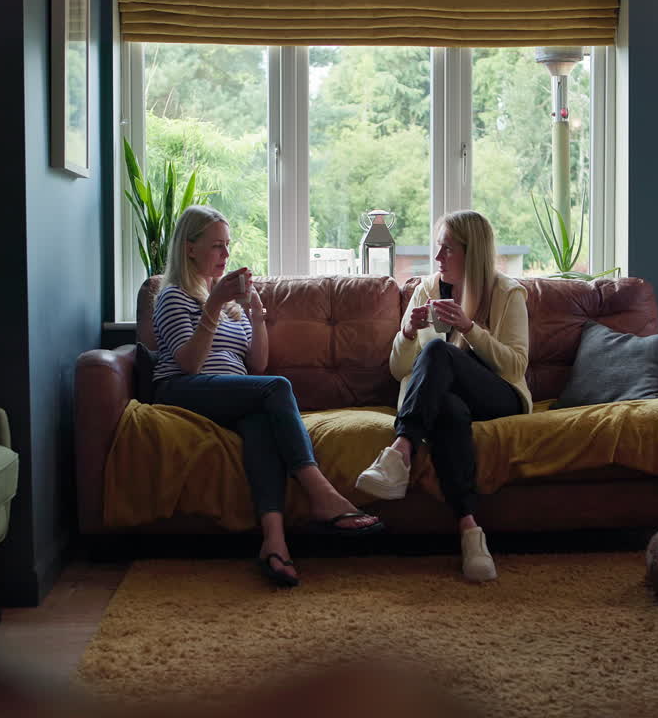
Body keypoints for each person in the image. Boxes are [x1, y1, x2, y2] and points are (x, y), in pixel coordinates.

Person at [152, 205, 384, 588]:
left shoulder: (229, 304)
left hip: (229, 394)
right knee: (277, 387)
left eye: (228, 245)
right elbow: (189, 364)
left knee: (261, 423)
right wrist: (212, 305)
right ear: (189, 248)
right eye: (216, 246)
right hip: (183, 388)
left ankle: (274, 542)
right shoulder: (174, 296)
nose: (226, 254)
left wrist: (256, 315)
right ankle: (321, 493)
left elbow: (256, 364)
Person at [357, 210, 531, 582]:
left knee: (438, 351)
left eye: (447, 249)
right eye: (438, 248)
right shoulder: (427, 290)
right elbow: (399, 370)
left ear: (473, 252)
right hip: (445, 401)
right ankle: (470, 531)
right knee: (448, 409)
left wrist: (469, 328)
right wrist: (406, 333)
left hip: (497, 395)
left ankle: (401, 449)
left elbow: (515, 366)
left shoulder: (507, 292)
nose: (437, 258)